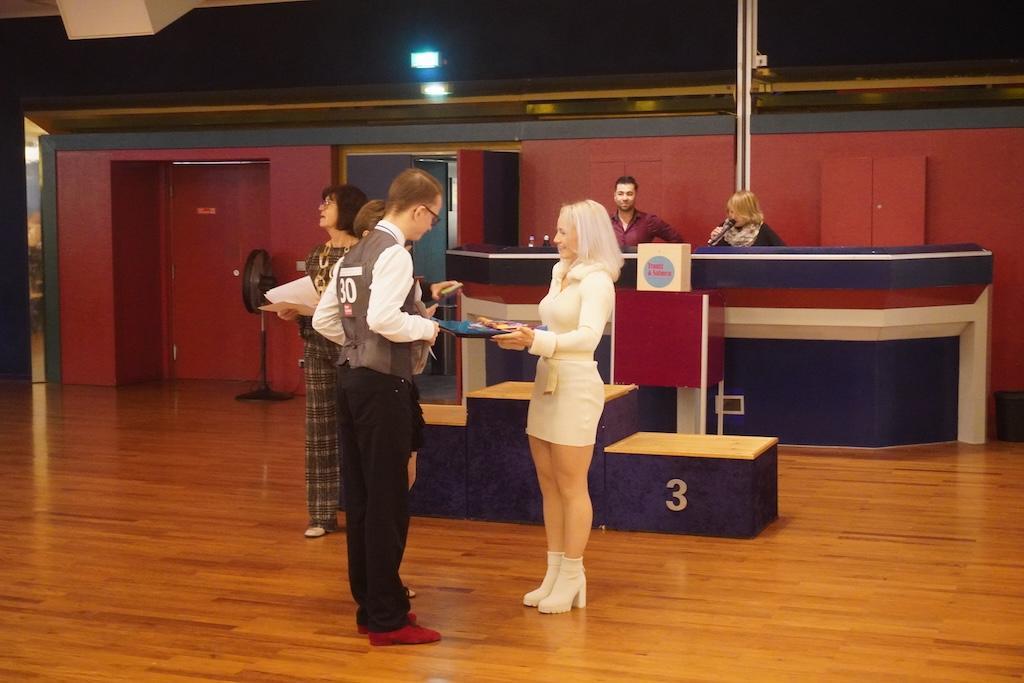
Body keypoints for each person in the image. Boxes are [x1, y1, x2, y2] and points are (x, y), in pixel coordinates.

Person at [312, 168, 447, 646]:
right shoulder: (393, 253)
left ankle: (371, 607)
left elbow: (325, 319)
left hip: (350, 381)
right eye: (433, 217)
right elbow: (386, 319)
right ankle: (389, 618)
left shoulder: (353, 252)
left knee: (364, 500)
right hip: (383, 387)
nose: (430, 226)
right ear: (419, 209)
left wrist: (357, 344)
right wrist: (428, 329)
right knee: (387, 503)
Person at [492, 199, 623, 614]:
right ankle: (553, 572)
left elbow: (587, 338)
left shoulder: (597, 280)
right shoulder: (560, 272)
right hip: (546, 381)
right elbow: (553, 327)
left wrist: (535, 340)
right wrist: (520, 334)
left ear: (587, 234)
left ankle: (572, 574)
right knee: (548, 484)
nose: (555, 237)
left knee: (571, 485)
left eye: (564, 231)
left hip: (576, 386)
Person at [277, 184, 366, 539]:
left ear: (348, 209)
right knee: (320, 432)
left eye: (329, 203)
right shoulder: (317, 254)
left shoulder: (364, 253)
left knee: (359, 430)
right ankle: (321, 515)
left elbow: (360, 306)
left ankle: (364, 508)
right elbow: (314, 300)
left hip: (355, 350)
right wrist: (293, 311)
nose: (321, 208)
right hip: (317, 349)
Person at [610, 175, 684, 247]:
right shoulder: (607, 222)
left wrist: (658, 253)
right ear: (615, 196)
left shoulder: (649, 221)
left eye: (629, 194)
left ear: (635, 195)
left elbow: (678, 240)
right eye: (620, 194)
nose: (625, 198)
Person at [706, 190, 785, 247]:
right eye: (731, 212)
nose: (733, 217)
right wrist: (714, 242)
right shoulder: (724, 228)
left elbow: (783, 254)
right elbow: (712, 258)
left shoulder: (762, 230)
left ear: (749, 212)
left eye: (738, 213)